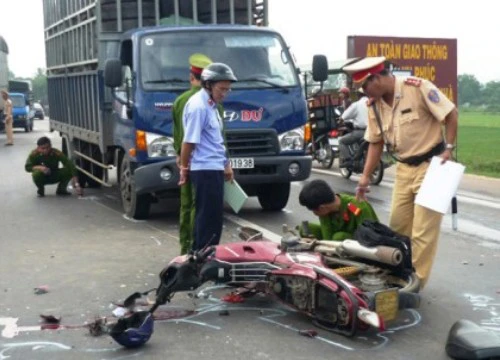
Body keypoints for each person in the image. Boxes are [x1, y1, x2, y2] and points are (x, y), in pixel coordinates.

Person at [343, 56, 458, 288]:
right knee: (397, 227)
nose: (365, 93)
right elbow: (375, 142)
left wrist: (449, 148)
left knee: (423, 232)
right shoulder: (373, 105)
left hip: (433, 167)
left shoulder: (418, 88)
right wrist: (364, 178)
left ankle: (415, 285)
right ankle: (399, 274)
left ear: (377, 78)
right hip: (404, 169)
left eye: (366, 86)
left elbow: (451, 114)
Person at [178, 63, 236, 251]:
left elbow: (216, 140)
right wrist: (184, 168)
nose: (224, 93)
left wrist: (226, 164)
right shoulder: (198, 107)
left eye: (228, 89)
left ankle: (205, 255)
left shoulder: (212, 106)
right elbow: (188, 142)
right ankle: (202, 258)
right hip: (204, 169)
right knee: (207, 219)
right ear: (208, 85)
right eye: (221, 89)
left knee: (213, 218)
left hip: (214, 167)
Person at [172, 53, 213, 255]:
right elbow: (220, 136)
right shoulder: (212, 103)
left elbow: (179, 137)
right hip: (206, 165)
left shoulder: (180, 102)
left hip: (187, 161)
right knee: (203, 208)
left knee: (187, 205)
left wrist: (181, 159)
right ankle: (200, 250)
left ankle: (185, 249)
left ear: (191, 76)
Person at [298, 179, 378, 241]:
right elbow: (327, 232)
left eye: (314, 211)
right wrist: (326, 249)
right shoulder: (324, 210)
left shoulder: (355, 206)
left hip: (360, 240)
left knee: (339, 237)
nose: (314, 214)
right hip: (335, 238)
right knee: (305, 228)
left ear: (322, 207)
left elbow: (369, 234)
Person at [338, 89, 368, 167]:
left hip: (360, 131)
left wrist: (340, 120)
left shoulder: (355, 104)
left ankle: (348, 160)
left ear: (358, 95)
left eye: (341, 93)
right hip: (371, 131)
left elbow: (345, 115)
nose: (340, 95)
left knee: (341, 141)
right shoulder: (373, 102)